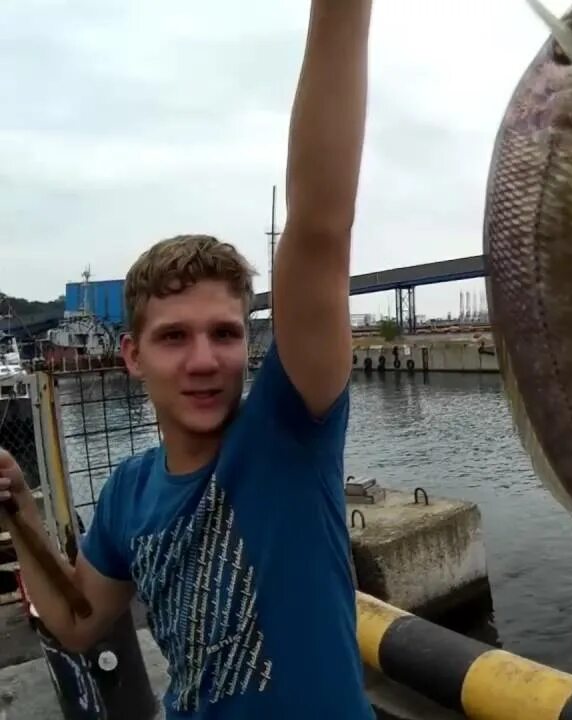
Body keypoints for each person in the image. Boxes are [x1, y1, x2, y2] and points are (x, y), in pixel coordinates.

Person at [0, 0, 374, 716]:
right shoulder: (127, 495)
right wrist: (21, 514)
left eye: (226, 333)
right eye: (175, 337)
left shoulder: (290, 436)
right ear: (132, 355)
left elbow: (321, 224)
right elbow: (79, 624)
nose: (205, 360)